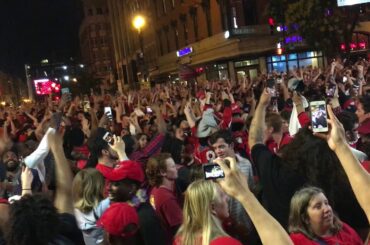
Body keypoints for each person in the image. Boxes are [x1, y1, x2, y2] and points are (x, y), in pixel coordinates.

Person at [249, 89, 367, 230]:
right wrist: (341, 145)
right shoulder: (346, 183)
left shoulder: (275, 171)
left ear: (297, 142)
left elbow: (255, 140)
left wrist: (262, 104)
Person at [209, 130, 254, 243]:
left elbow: (251, 190)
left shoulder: (246, 164)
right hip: (225, 227)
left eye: (221, 146)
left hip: (247, 222)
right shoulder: (212, 168)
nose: (218, 151)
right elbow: (212, 200)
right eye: (215, 148)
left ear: (231, 145)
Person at [174, 180, 242, 245]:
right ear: (212, 208)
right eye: (222, 195)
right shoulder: (227, 243)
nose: (228, 198)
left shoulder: (179, 240)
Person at [288, 187, 363, 245]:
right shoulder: (296, 241)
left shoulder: (343, 228)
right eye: (318, 206)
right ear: (305, 218)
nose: (327, 209)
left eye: (326, 203)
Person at [146, 153, 183, 244]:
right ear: (162, 172)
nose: (177, 168)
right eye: (173, 167)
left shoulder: (155, 190)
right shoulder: (166, 199)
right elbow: (181, 229)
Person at [72, 168, 110, 245]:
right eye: (103, 182)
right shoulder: (104, 207)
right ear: (98, 187)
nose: (107, 186)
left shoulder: (75, 209)